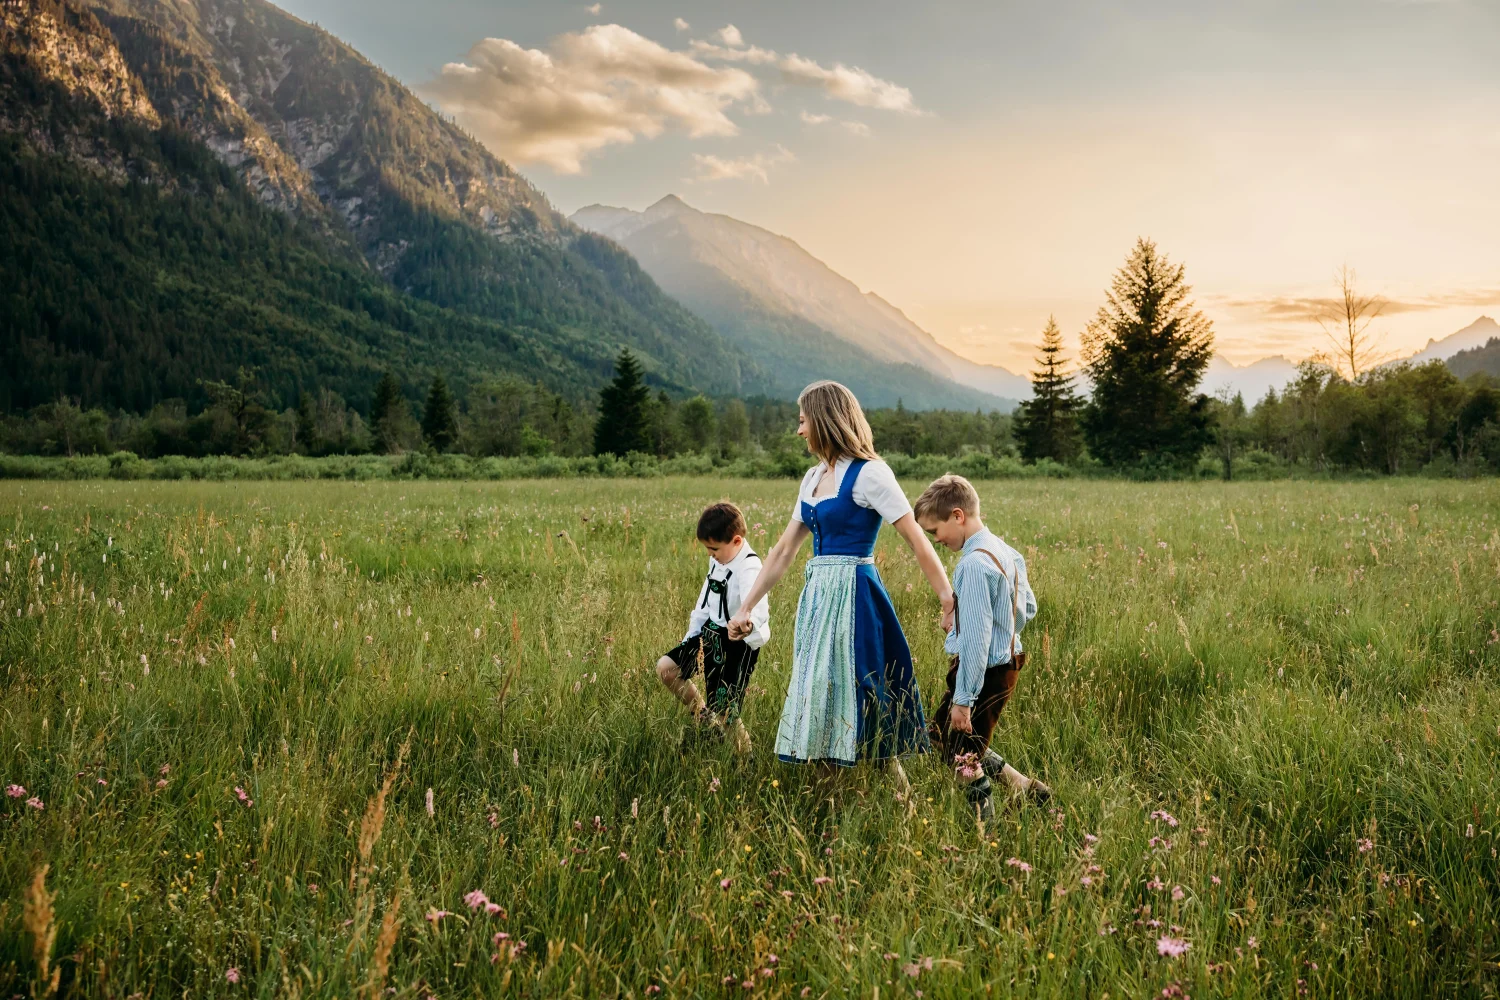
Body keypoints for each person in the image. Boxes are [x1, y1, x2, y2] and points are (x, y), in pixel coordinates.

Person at [728, 381, 954, 788]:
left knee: (863, 692)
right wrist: (746, 607)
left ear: (826, 420)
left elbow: (916, 539)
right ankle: (830, 797)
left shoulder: (871, 474)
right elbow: (783, 551)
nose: (799, 431)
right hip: (818, 598)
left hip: (856, 595)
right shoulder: (813, 478)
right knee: (819, 692)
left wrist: (946, 598)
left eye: (803, 421)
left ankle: (898, 801)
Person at [913, 474, 1051, 820]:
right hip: (1005, 662)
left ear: (957, 516)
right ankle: (1022, 787)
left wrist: (964, 700)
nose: (936, 539)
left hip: (983, 672)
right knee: (941, 736)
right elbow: (1028, 606)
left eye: (935, 531)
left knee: (963, 757)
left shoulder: (972, 566)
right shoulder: (1004, 550)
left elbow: (975, 643)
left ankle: (984, 834)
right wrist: (1000, 623)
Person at [657, 502, 769, 754]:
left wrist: (747, 626)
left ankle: (745, 760)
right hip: (708, 633)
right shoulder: (719, 560)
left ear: (737, 541)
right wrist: (692, 634)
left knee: (727, 709)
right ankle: (706, 721)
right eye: (708, 548)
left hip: (736, 643)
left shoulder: (749, 566)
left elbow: (759, 606)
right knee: (667, 669)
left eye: (714, 548)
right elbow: (705, 600)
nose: (710, 554)